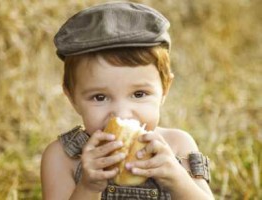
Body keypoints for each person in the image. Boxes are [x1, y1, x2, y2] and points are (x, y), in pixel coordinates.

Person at [41, 2, 214, 200]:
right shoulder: (62, 158)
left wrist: (177, 178)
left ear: (165, 89)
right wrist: (88, 187)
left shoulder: (178, 145)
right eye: (100, 97)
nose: (122, 113)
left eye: (139, 94)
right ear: (72, 98)